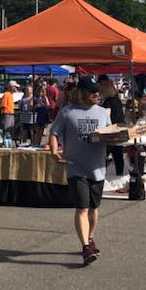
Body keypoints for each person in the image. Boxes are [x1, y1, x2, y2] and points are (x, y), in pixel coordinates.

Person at [49, 75, 111, 265]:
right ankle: (85, 247)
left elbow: (111, 133)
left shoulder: (102, 113)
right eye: (92, 92)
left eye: (97, 91)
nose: (96, 94)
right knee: (82, 207)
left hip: (98, 168)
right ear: (82, 93)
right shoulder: (67, 112)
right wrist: (53, 151)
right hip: (76, 168)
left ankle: (90, 239)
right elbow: (54, 133)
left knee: (93, 208)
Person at [97, 75, 126, 177]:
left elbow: (107, 115)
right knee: (118, 155)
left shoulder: (108, 102)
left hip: (112, 131)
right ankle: (120, 174)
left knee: (102, 154)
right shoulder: (116, 100)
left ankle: (100, 174)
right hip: (120, 129)